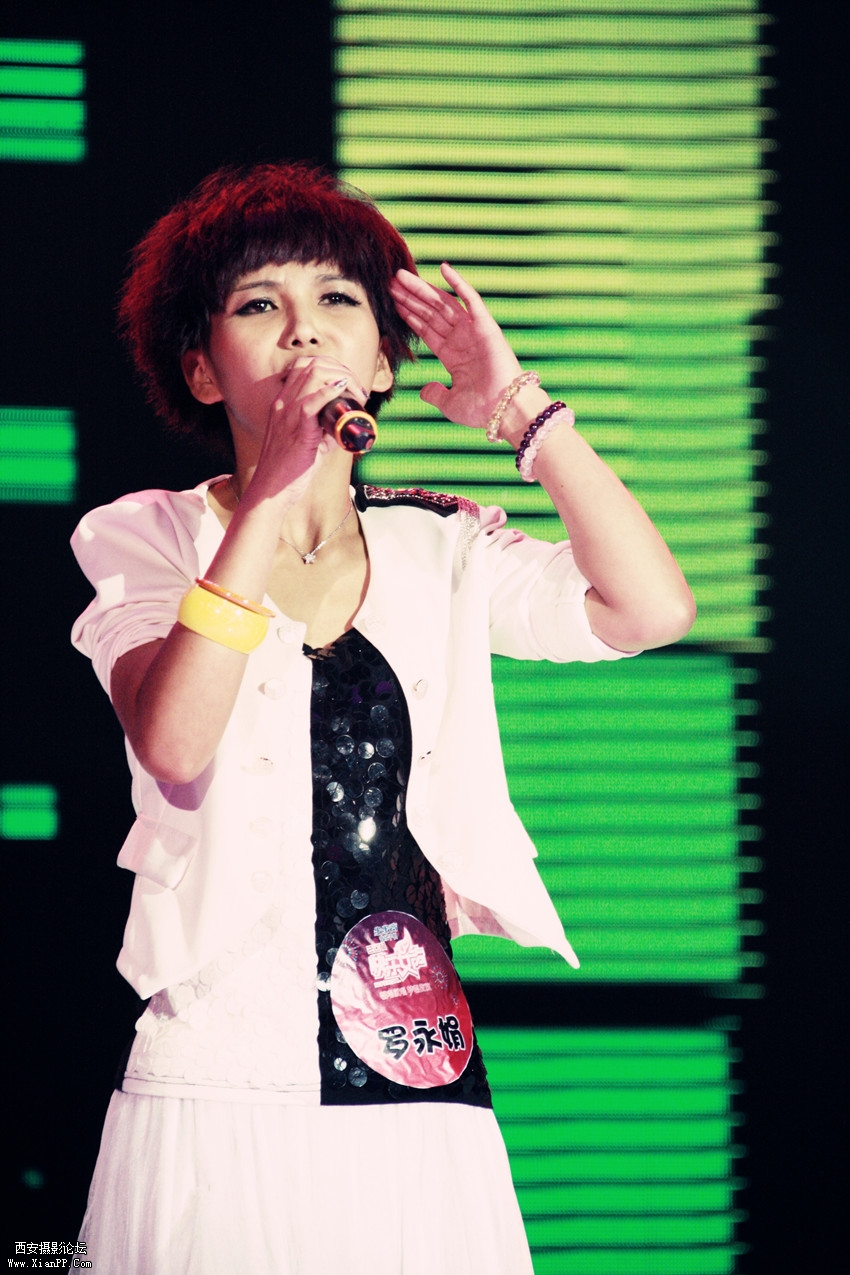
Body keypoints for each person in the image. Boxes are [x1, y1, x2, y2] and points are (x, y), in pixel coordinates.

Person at [70, 162, 695, 1275]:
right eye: (259, 305)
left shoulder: (438, 546)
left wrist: (520, 412)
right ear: (202, 369)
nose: (303, 333)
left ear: (383, 361)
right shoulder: (150, 537)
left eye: (336, 299)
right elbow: (174, 741)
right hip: (220, 1081)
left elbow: (649, 609)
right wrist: (268, 498)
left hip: (415, 1075)